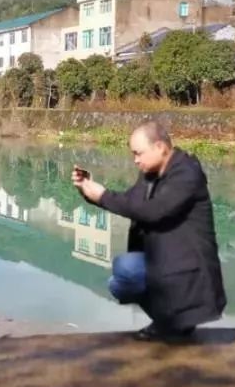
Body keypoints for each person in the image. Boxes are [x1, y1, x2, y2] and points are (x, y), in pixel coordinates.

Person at [72, 120, 226, 341]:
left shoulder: (186, 175)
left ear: (160, 148)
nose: (135, 160)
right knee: (119, 281)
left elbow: (153, 211)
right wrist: (89, 191)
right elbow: (130, 202)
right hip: (169, 263)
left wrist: (104, 195)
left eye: (138, 153)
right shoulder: (151, 174)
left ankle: (176, 321)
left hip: (191, 272)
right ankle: (171, 322)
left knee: (127, 270)